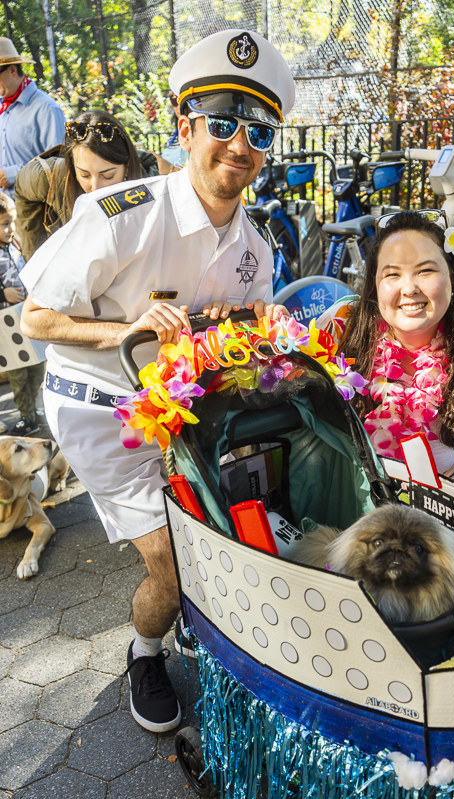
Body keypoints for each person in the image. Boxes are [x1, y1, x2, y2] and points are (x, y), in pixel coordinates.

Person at [20, 29, 295, 733]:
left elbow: (230, 344)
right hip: (102, 412)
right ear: (187, 128)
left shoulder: (256, 247)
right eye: (224, 124)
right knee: (175, 567)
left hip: (190, 412)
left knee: (246, 524)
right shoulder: (122, 215)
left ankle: (215, 632)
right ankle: (144, 651)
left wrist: (259, 337)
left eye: (258, 130)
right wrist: (132, 333)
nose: (240, 145)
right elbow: (38, 319)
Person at [320, 210, 454, 553]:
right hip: (339, 521)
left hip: (436, 539)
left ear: (452, 279)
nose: (409, 288)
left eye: (426, 271)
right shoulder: (341, 327)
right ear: (374, 284)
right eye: (392, 274)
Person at [15, 108, 159, 261]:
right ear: (71, 164)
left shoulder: (150, 187)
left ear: (127, 167)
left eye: (108, 175)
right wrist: (37, 256)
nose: (95, 186)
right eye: (84, 175)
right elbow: (22, 184)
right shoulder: (48, 176)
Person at [0, 191, 44, 435]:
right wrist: (2, 294)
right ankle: (27, 416)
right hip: (6, 326)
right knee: (18, 375)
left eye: (12, 223)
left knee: (37, 368)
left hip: (26, 317)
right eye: (5, 224)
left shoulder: (15, 247)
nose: (11, 229)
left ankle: (33, 410)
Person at [0, 38, 65, 195]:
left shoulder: (47, 109)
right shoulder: (2, 105)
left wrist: (14, 174)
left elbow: (58, 164)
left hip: (34, 210)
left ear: (12, 70)